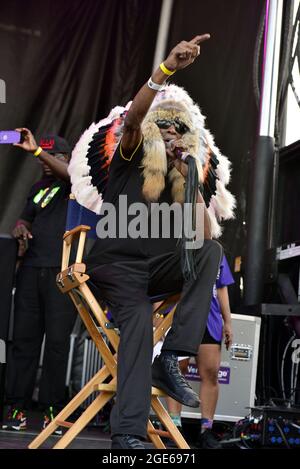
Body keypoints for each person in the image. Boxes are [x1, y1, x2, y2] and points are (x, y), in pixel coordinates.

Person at [83, 35, 225, 449]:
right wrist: (166, 69)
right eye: (162, 126)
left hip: (155, 271)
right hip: (118, 267)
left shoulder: (180, 178)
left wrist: (190, 176)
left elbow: (204, 235)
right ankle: (126, 434)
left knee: (211, 252)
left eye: (177, 129)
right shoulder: (130, 155)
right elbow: (135, 117)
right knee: (139, 325)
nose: (169, 132)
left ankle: (171, 357)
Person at [2, 130, 76, 434]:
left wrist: (36, 153)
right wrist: (21, 230)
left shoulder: (79, 185)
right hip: (31, 270)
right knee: (23, 343)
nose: (47, 163)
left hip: (61, 274)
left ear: (67, 158)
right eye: (45, 157)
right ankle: (16, 407)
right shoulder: (37, 188)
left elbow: (69, 174)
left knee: (57, 346)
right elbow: (24, 219)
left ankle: (52, 412)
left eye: (54, 157)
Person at [165, 254, 234, 449]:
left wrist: (227, 322)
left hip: (209, 318)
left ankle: (206, 430)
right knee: (177, 369)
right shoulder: (175, 247)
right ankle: (174, 428)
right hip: (179, 317)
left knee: (211, 372)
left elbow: (221, 287)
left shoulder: (217, 252)